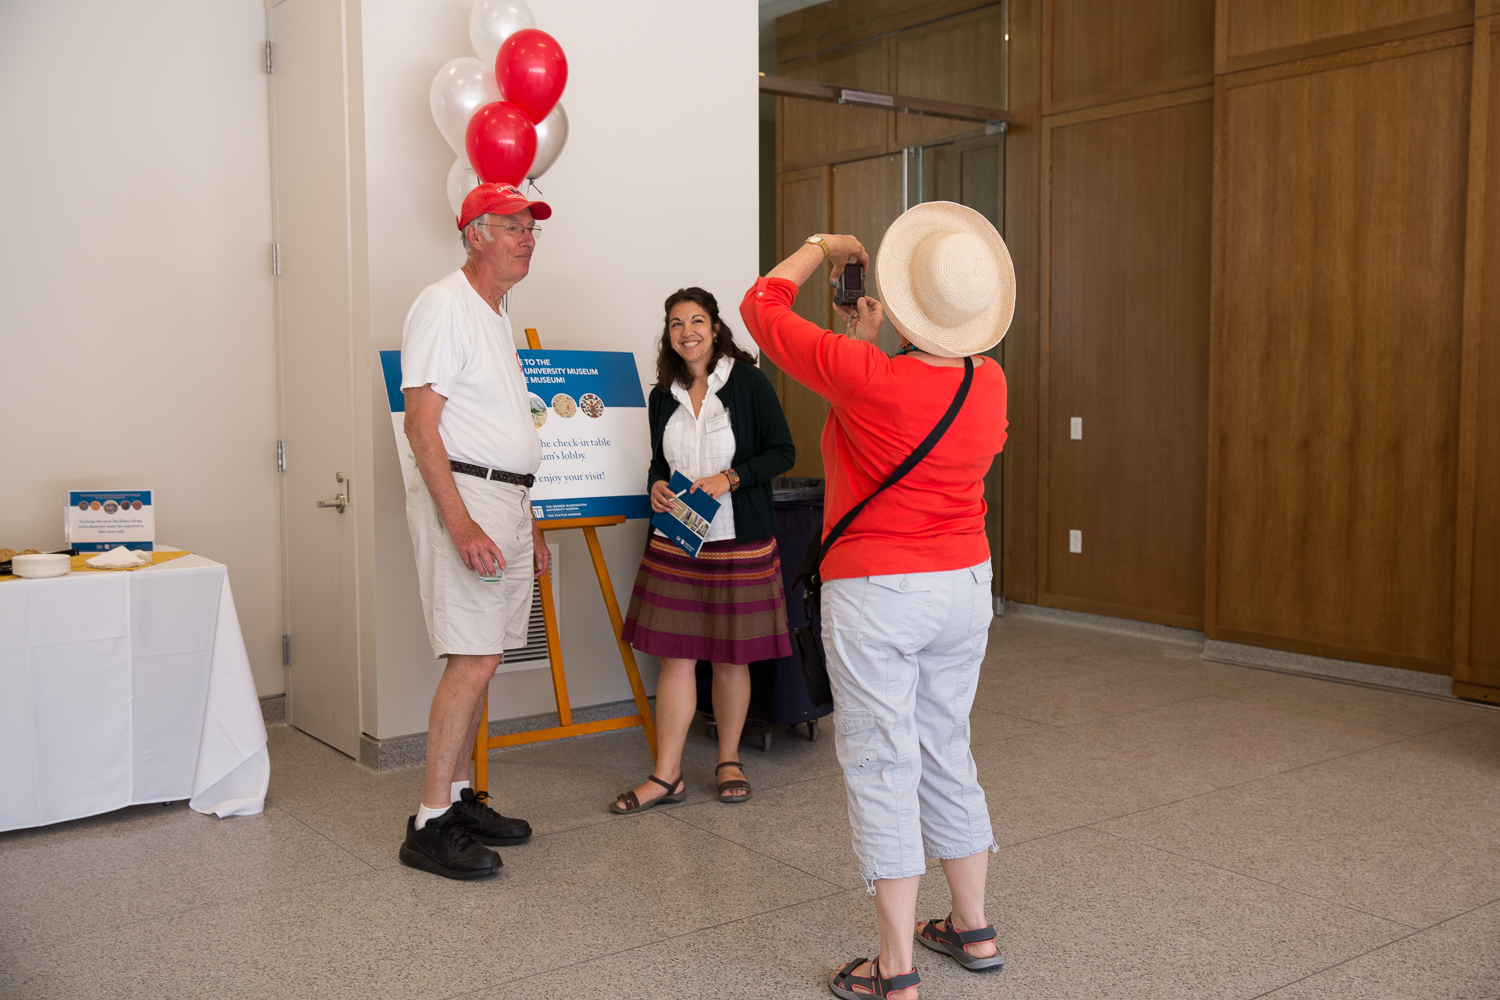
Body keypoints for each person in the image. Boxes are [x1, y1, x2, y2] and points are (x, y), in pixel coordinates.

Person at [740, 204, 1013, 999]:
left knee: (882, 760)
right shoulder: (988, 381)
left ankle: (895, 968)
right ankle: (974, 927)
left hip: (881, 591)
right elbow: (899, 406)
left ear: (900, 302)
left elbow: (762, 306)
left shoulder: (868, 376)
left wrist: (824, 247)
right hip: (964, 585)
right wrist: (866, 340)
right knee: (946, 745)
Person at [396, 182, 554, 880]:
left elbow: (510, 433)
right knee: (473, 657)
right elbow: (420, 424)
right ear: (474, 234)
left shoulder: (496, 313)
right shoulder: (443, 304)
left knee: (483, 653)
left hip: (506, 504)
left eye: (531, 227)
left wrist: (533, 522)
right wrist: (459, 523)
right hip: (469, 501)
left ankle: (458, 798)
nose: (527, 237)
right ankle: (430, 820)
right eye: (513, 226)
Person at [613, 287, 796, 812]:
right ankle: (667, 776)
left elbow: (783, 451)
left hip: (737, 539)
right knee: (676, 658)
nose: (687, 331)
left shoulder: (748, 382)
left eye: (697, 321)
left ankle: (729, 759)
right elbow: (657, 461)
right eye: (676, 323)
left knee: (730, 659)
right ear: (668, 334)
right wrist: (655, 484)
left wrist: (730, 477)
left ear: (715, 329)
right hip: (678, 539)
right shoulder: (661, 394)